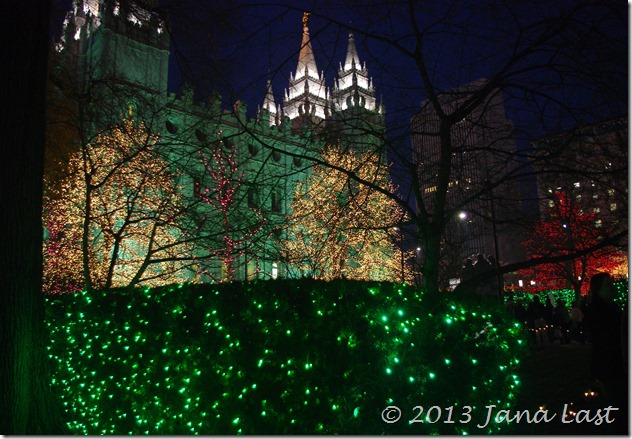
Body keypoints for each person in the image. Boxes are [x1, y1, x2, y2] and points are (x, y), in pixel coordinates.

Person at [583, 272, 627, 431]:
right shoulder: (599, 312)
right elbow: (607, 340)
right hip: (609, 366)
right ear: (598, 290)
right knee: (616, 404)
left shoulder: (611, 308)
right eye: (608, 285)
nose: (613, 288)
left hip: (613, 365)